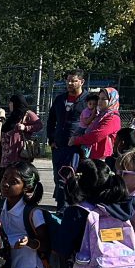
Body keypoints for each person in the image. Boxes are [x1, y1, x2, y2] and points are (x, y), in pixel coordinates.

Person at [47, 69, 89, 209]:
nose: (70, 83)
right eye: (68, 80)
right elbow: (51, 120)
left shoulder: (88, 101)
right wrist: (51, 139)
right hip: (59, 146)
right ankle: (61, 202)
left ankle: (66, 207)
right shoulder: (60, 99)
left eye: (74, 80)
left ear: (81, 82)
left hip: (76, 148)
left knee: (69, 178)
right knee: (58, 177)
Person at [71, 87, 121, 162]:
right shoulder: (101, 115)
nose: (99, 101)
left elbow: (96, 135)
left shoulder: (112, 117)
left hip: (102, 157)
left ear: (112, 100)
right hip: (93, 155)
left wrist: (76, 140)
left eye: (103, 99)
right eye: (99, 98)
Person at [0, 94, 43, 171]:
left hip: (18, 152)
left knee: (18, 173)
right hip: (6, 153)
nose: (9, 105)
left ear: (16, 103)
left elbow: (39, 125)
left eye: (11, 103)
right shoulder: (12, 116)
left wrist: (25, 127)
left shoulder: (27, 114)